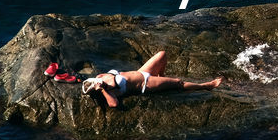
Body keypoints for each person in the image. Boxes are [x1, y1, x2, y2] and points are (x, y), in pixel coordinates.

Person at [79, 50, 223, 109]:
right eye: (94, 85)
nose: (95, 83)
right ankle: (207, 85)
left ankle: (162, 77)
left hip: (142, 72)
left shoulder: (100, 76)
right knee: (178, 83)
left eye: (92, 82)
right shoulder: (109, 92)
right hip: (145, 84)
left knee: (162, 54)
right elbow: (114, 105)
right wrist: (103, 89)